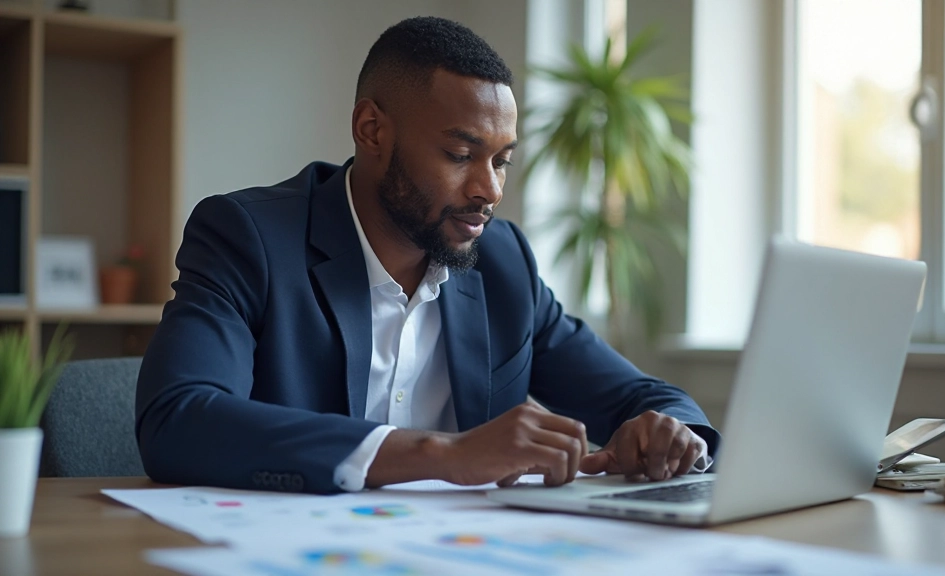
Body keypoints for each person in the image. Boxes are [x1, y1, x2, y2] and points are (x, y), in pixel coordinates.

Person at [135, 16, 720, 495]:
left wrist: (675, 434)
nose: (489, 190)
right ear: (371, 129)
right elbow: (179, 419)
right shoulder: (250, 237)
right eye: (460, 153)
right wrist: (445, 455)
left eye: (502, 160)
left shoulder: (504, 263)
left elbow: (643, 398)